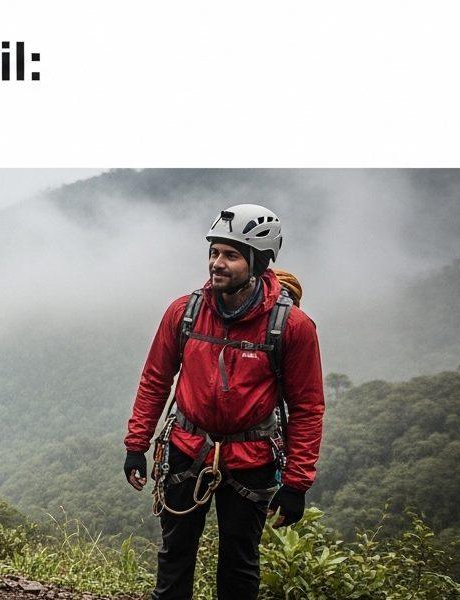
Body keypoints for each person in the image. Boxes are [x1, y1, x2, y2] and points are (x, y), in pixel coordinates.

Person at [123, 205, 325, 600]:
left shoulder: (293, 328)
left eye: (230, 255)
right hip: (187, 448)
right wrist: (136, 445)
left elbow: (307, 408)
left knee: (239, 563)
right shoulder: (185, 312)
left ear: (260, 262)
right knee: (174, 554)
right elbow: (155, 380)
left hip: (252, 458)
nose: (217, 263)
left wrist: (296, 484)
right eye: (214, 253)